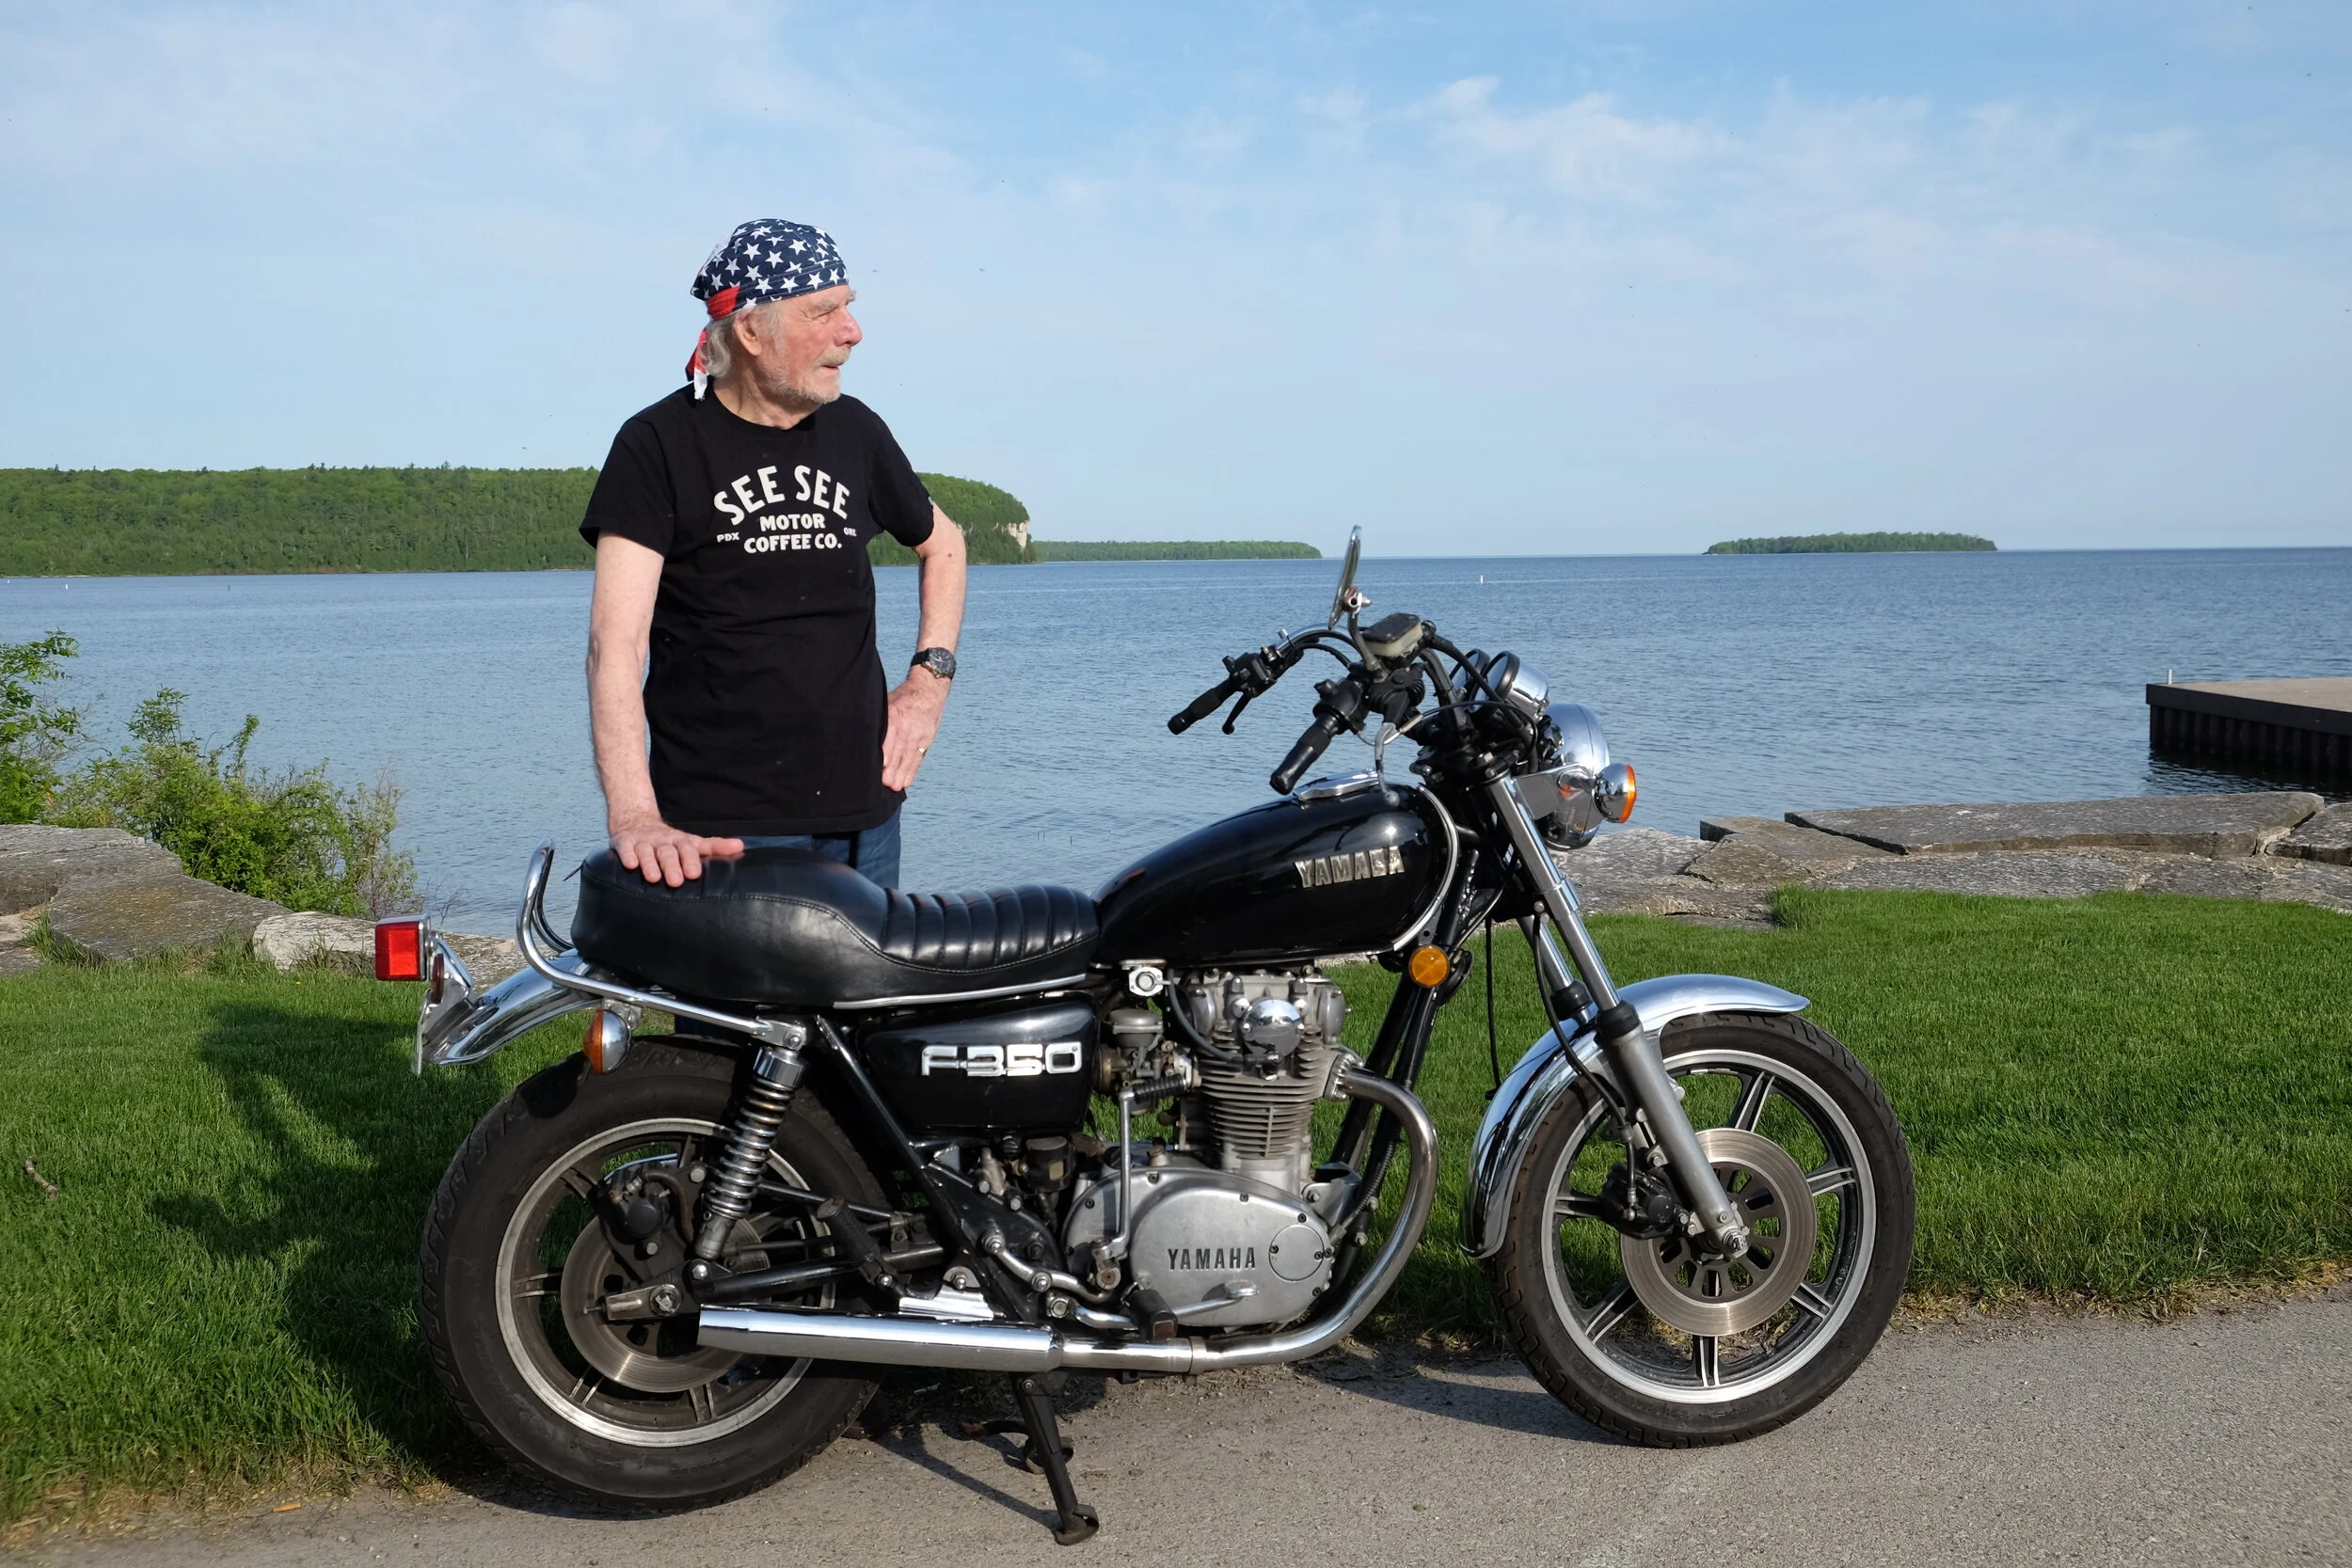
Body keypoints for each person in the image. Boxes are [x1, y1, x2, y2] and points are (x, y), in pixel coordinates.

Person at [580, 218, 966, 890]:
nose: (853, 331)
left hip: (865, 816)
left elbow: (946, 544)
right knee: (732, 1002)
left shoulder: (857, 432)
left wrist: (928, 686)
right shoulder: (658, 445)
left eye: (850, 306)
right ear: (753, 332)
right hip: (723, 829)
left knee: (863, 999)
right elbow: (615, 645)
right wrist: (636, 814)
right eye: (824, 311)